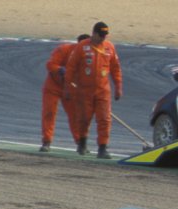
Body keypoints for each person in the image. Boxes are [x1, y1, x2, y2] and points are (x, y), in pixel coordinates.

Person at [65, 21, 123, 158]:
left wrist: (118, 86)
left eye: (105, 35)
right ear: (94, 33)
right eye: (101, 35)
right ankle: (82, 142)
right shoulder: (82, 46)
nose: (103, 38)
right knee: (84, 119)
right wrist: (67, 87)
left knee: (104, 119)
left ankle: (102, 148)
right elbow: (71, 67)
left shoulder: (109, 47)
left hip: (103, 90)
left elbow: (116, 68)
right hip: (84, 91)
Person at [39, 34, 88, 152]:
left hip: (71, 88)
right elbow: (50, 64)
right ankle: (46, 141)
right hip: (53, 86)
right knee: (49, 112)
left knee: (75, 115)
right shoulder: (63, 49)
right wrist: (59, 69)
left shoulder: (90, 58)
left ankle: (80, 143)